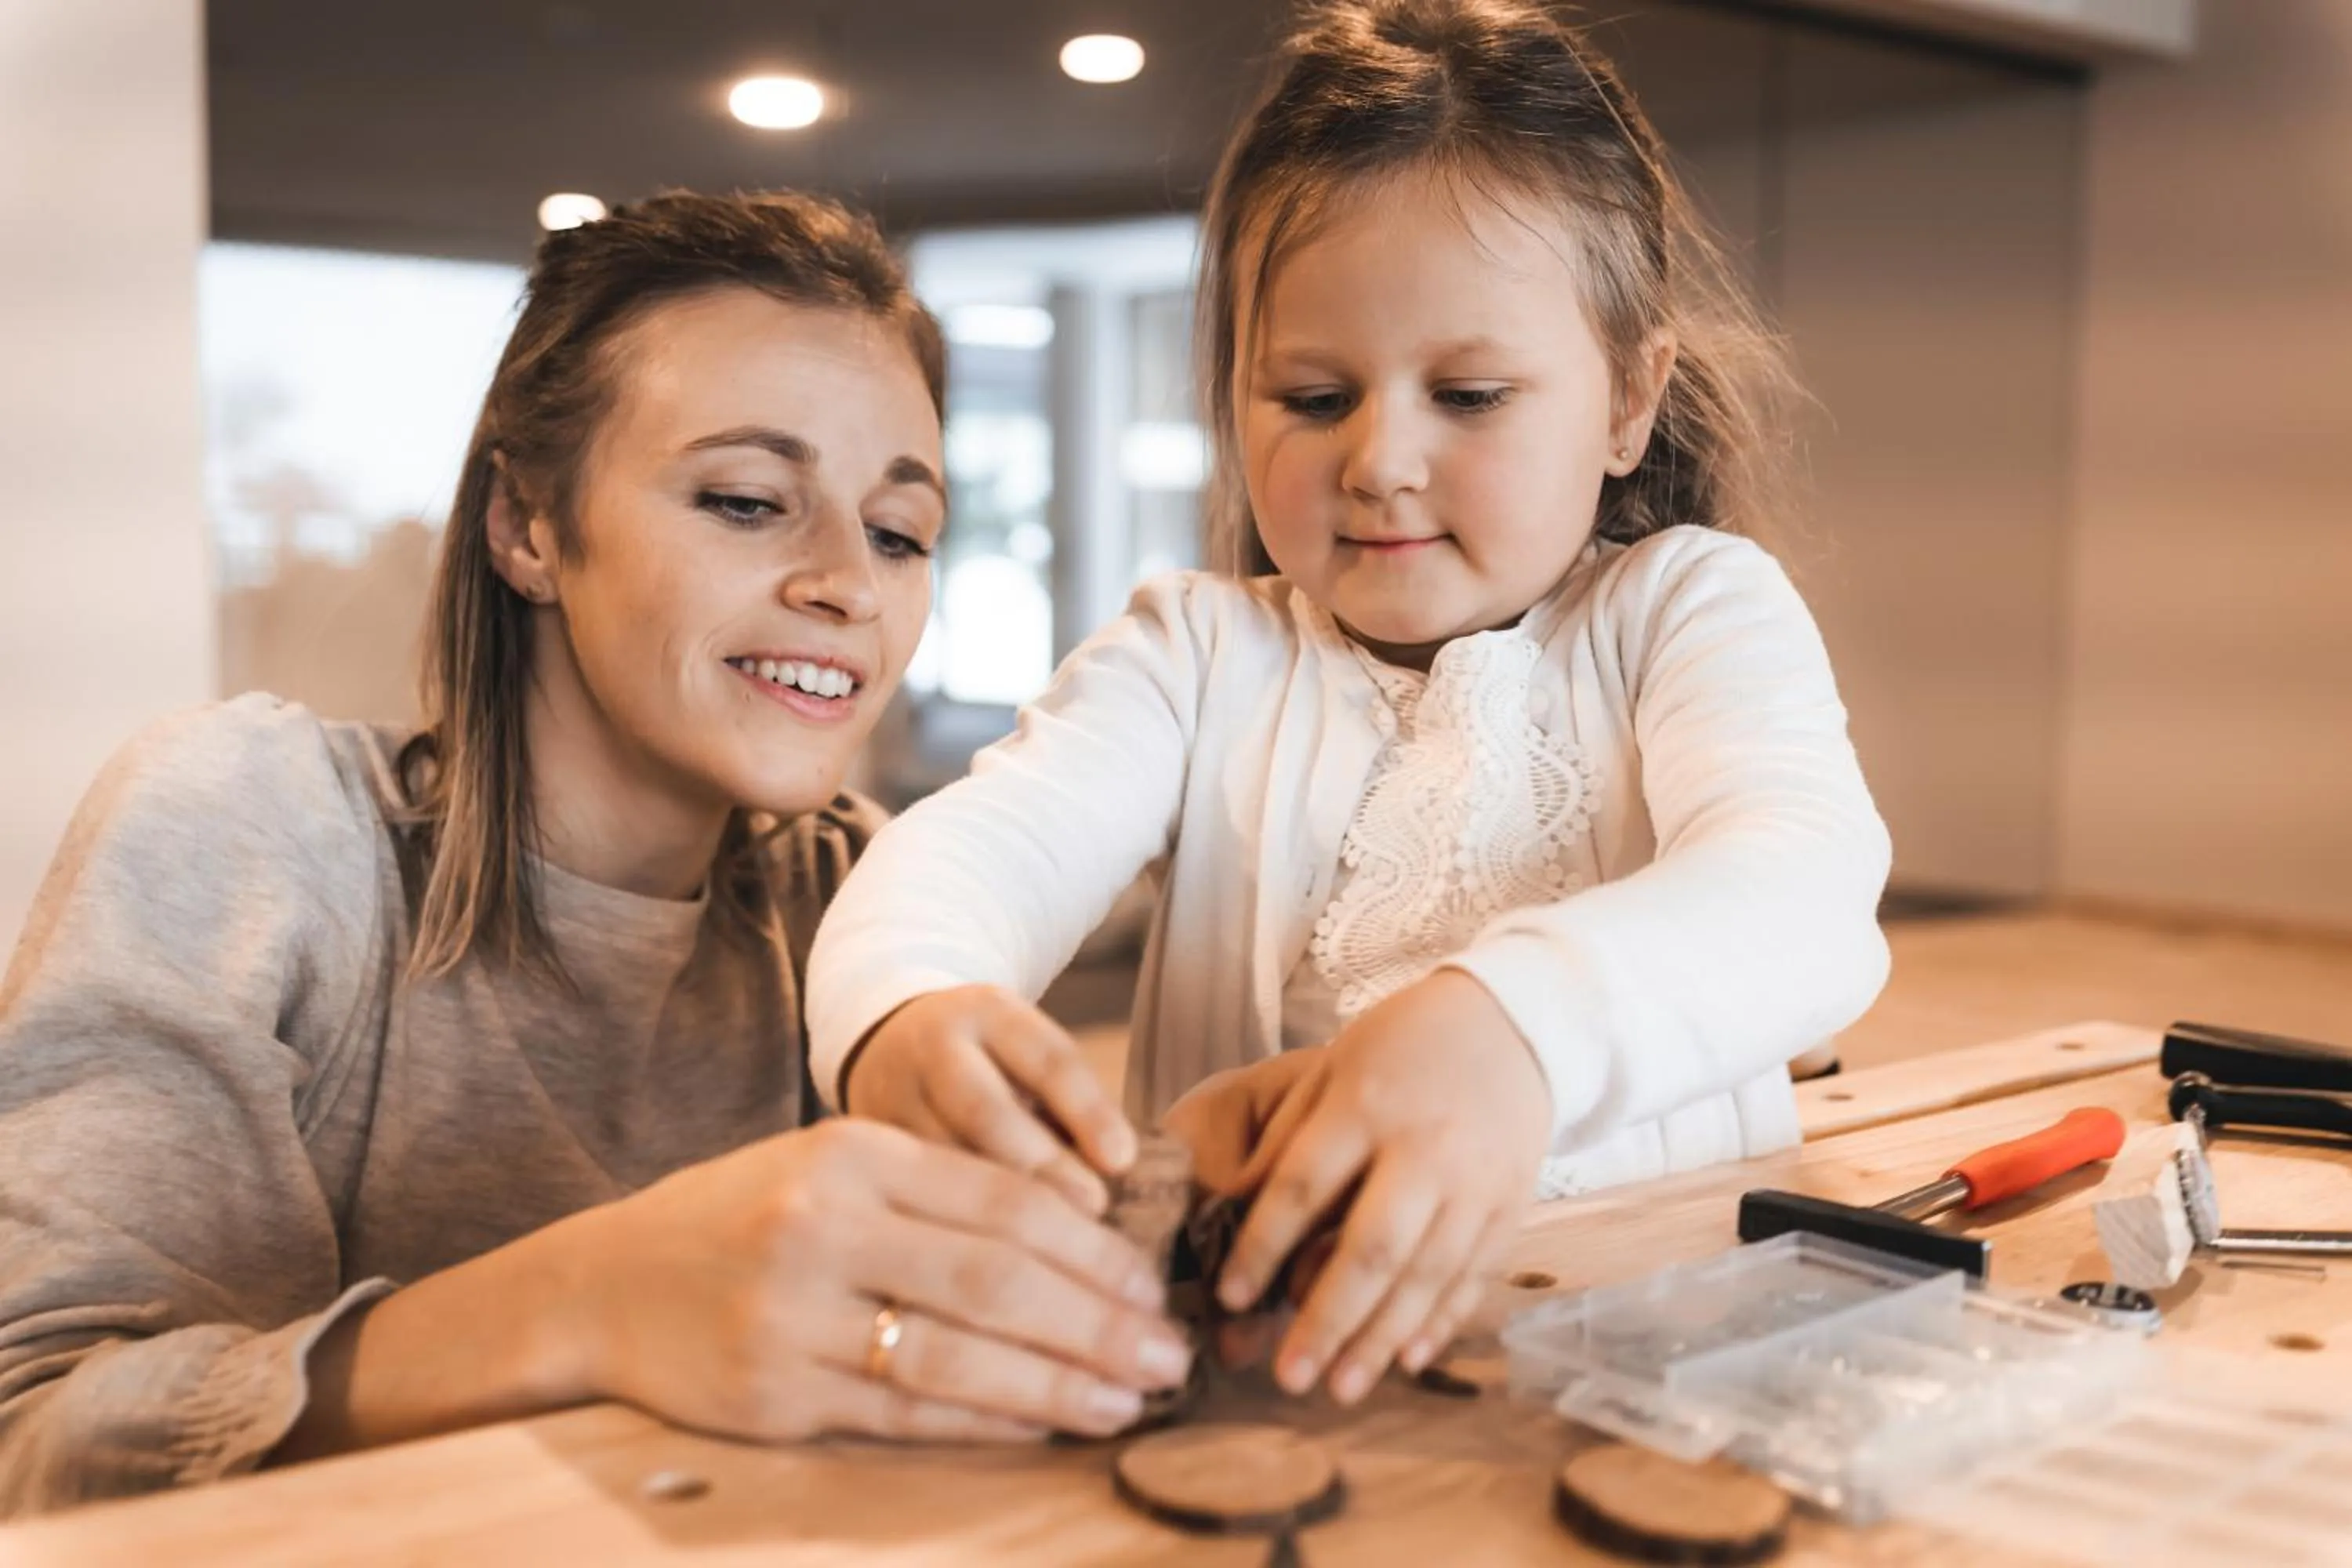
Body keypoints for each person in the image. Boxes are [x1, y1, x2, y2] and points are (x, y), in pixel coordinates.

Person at [0, 191, 1189, 1520]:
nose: (850, 584)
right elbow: (34, 1439)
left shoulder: (861, 897)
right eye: (748, 501)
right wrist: (592, 1299)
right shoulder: (253, 823)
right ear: (528, 528)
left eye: (901, 532)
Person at [808, 0, 1893, 1413]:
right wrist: (909, 1008)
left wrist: (1510, 1026)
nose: (1382, 460)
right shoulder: (1193, 654)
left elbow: (1803, 885)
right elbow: (981, 848)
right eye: (1314, 398)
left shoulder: (1688, 609)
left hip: (1660, 1351)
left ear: (1629, 397)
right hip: (1261, 1380)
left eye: (1472, 393)